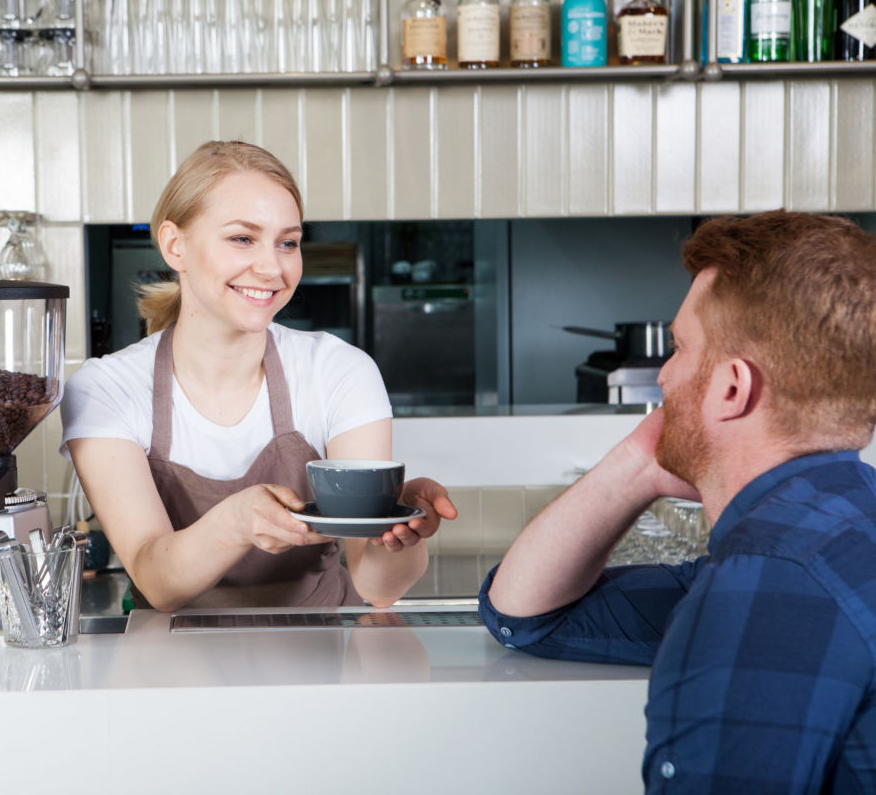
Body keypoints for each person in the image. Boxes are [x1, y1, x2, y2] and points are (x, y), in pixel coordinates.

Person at [479, 211, 876, 793]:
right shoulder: (836, 530)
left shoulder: (769, 578)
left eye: (679, 347)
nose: (664, 375)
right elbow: (526, 617)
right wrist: (642, 461)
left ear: (733, 388)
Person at [62, 140, 455, 612]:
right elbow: (155, 577)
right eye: (242, 238)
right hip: (172, 666)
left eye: (287, 243)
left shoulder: (339, 372)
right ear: (174, 245)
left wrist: (394, 533)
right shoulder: (108, 388)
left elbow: (378, 587)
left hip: (319, 658)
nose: (272, 268)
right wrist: (236, 522)